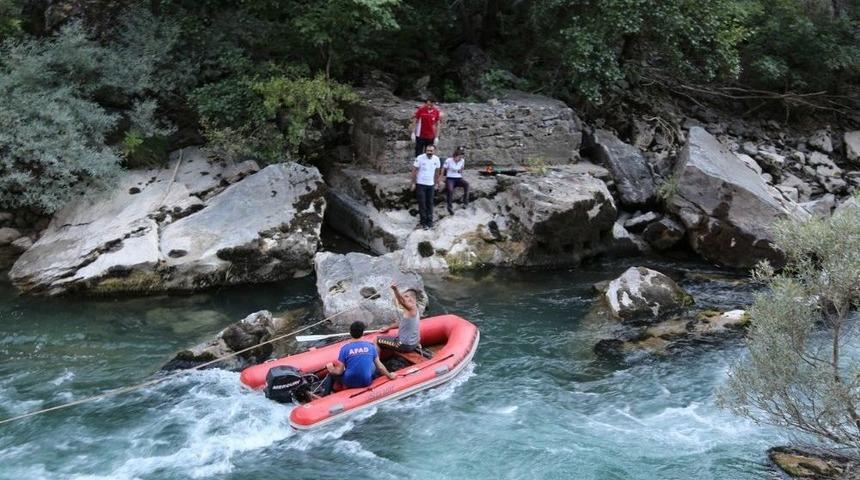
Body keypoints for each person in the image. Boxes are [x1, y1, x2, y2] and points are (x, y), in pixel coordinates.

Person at [319, 321, 396, 396]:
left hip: (349, 381)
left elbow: (339, 372)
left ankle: (325, 395)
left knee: (331, 374)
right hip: (366, 382)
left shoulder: (345, 349)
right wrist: (390, 375)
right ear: (362, 333)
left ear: (350, 333)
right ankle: (375, 378)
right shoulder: (370, 347)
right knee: (373, 364)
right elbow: (380, 367)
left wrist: (331, 368)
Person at [376, 284, 421, 353]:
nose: (403, 298)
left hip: (404, 345)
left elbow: (401, 301)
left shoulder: (411, 309)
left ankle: (377, 363)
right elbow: (401, 322)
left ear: (411, 299)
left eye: (406, 296)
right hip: (414, 343)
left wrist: (395, 289)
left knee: (376, 340)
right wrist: (388, 327)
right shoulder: (413, 309)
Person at [412, 144, 442, 230]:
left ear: (434, 151)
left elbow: (437, 173)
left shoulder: (436, 159)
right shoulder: (420, 158)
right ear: (425, 151)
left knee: (430, 203)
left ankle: (430, 221)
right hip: (420, 184)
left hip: (431, 184)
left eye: (431, 151)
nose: (429, 152)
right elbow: (414, 170)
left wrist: (437, 183)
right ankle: (423, 222)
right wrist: (413, 183)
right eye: (428, 150)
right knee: (422, 204)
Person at [443, 146, 470, 215]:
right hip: (450, 178)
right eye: (459, 156)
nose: (460, 158)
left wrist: (460, 172)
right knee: (450, 190)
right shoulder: (449, 160)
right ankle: (450, 207)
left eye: (461, 157)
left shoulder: (462, 161)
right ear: (455, 156)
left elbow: (461, 170)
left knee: (466, 184)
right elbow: (444, 169)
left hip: (458, 178)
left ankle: (465, 202)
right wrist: (442, 178)